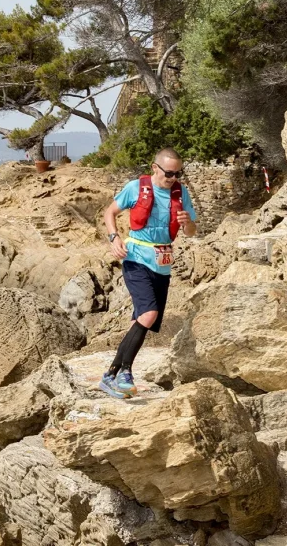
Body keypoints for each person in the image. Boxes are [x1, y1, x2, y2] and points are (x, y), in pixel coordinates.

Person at [99, 148, 197, 398]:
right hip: (136, 257)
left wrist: (188, 223)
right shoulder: (136, 187)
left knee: (140, 321)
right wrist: (114, 237)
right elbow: (109, 213)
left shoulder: (180, 192)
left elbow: (191, 232)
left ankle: (110, 376)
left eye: (177, 173)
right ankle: (125, 373)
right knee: (149, 313)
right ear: (155, 168)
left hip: (163, 263)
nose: (173, 177)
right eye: (168, 173)